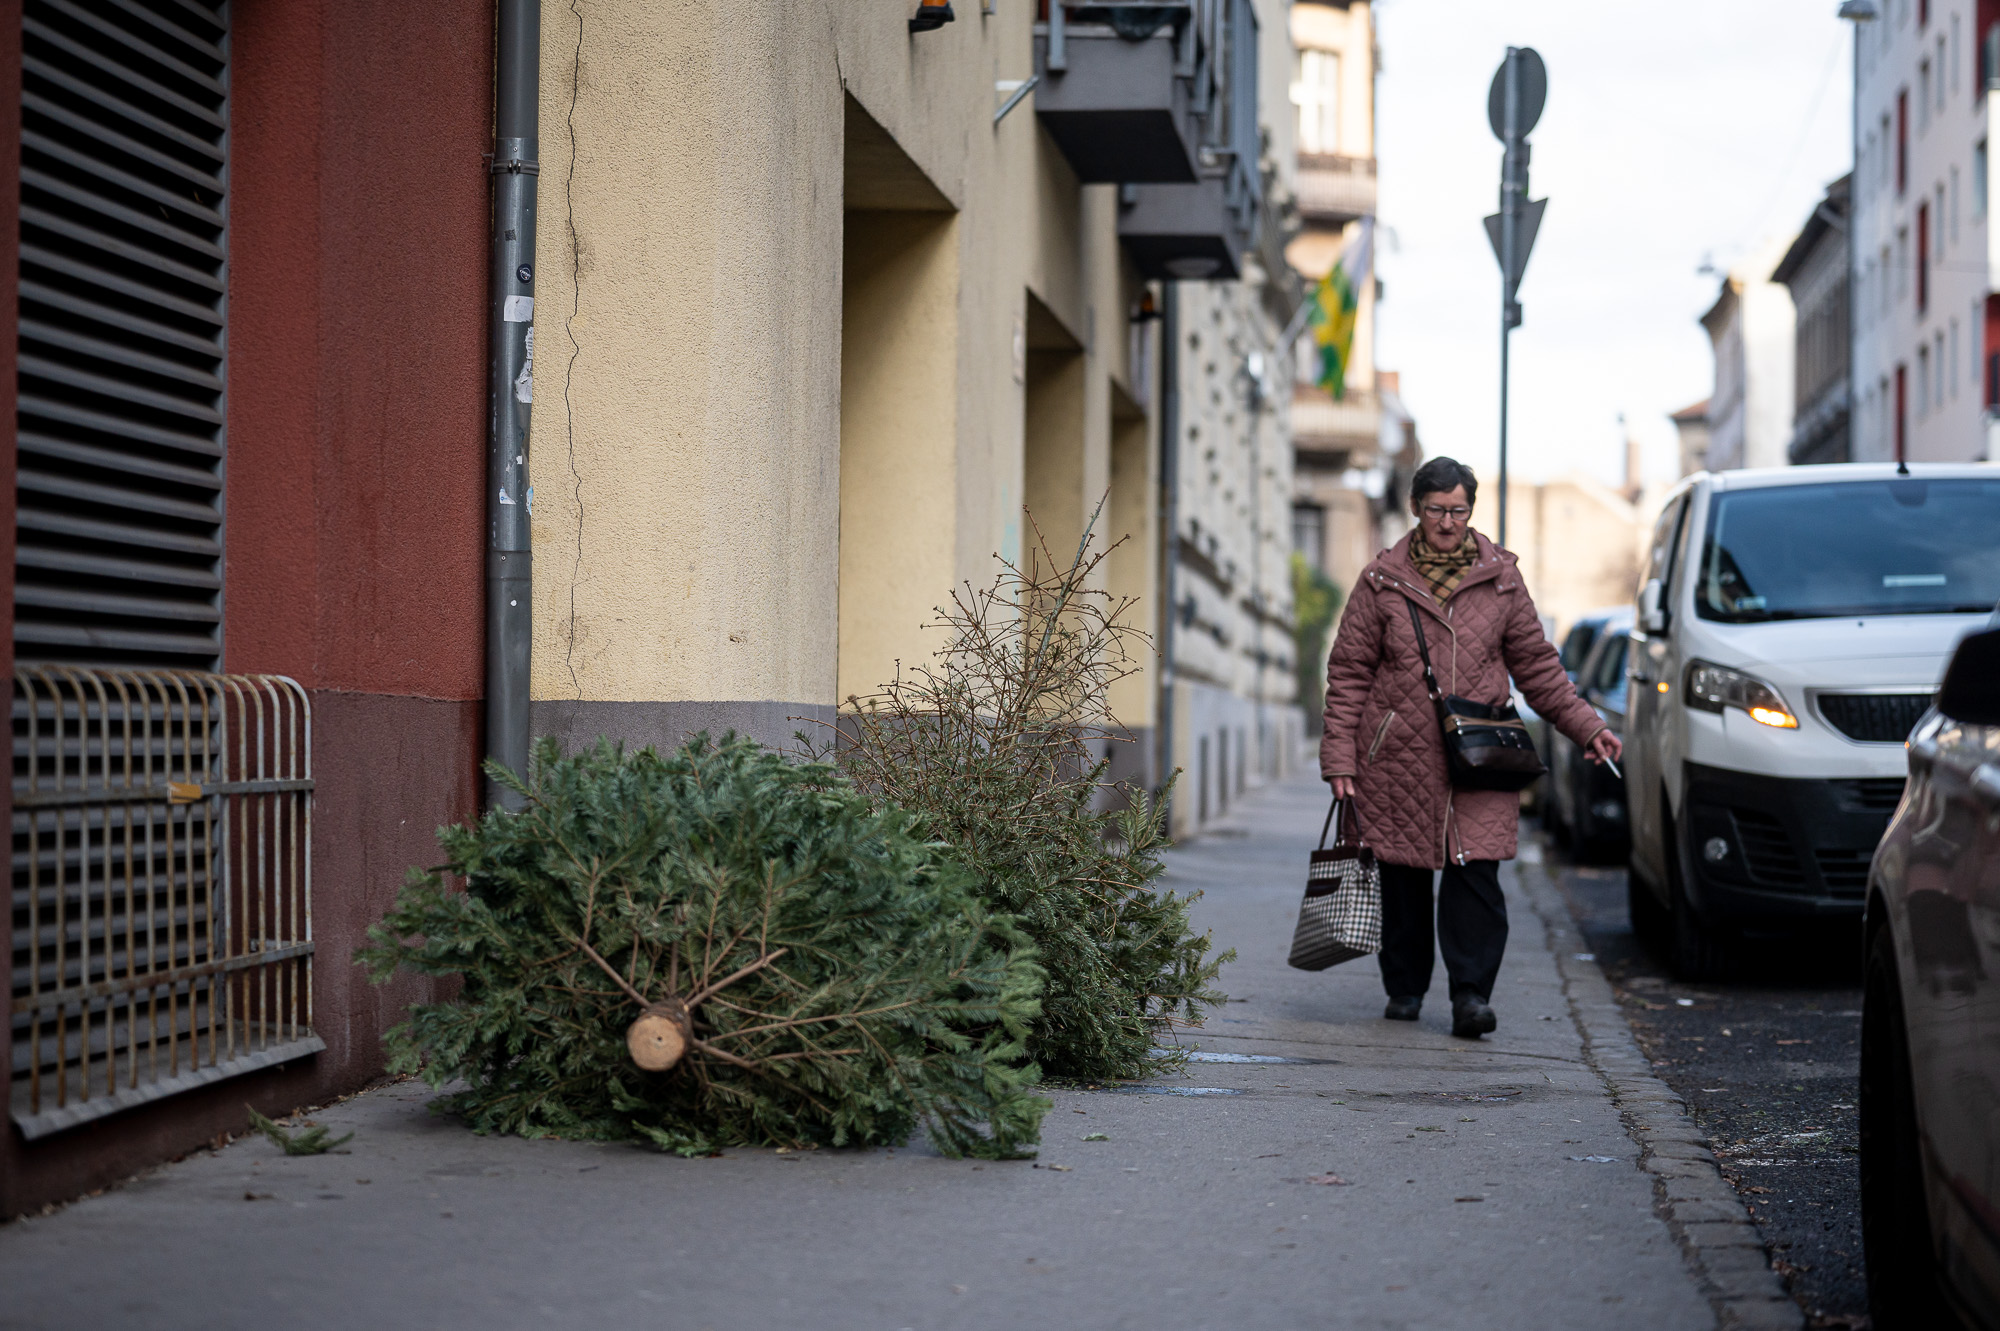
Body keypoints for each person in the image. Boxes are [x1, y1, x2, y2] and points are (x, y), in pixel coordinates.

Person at [1320, 457, 1620, 1038]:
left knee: (1476, 876)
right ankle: (1405, 988)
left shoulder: (1502, 579)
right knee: (1403, 878)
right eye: (1436, 510)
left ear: (1471, 511)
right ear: (1416, 509)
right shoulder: (1381, 580)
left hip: (1482, 756)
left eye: (1458, 510)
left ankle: (1471, 996)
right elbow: (1350, 672)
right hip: (1398, 756)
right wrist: (1339, 758)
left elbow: (1538, 667)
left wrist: (1586, 726)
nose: (1448, 522)